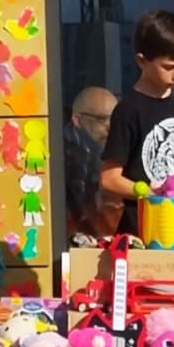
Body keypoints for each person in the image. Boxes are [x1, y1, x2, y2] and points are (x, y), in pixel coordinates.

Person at [99, 10, 174, 237]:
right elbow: (109, 179)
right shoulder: (129, 110)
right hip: (144, 233)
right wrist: (151, 192)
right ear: (141, 61)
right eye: (168, 67)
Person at [63, 85, 117, 237]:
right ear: (77, 120)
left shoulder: (111, 152)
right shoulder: (70, 156)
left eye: (114, 119)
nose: (110, 127)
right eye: (101, 119)